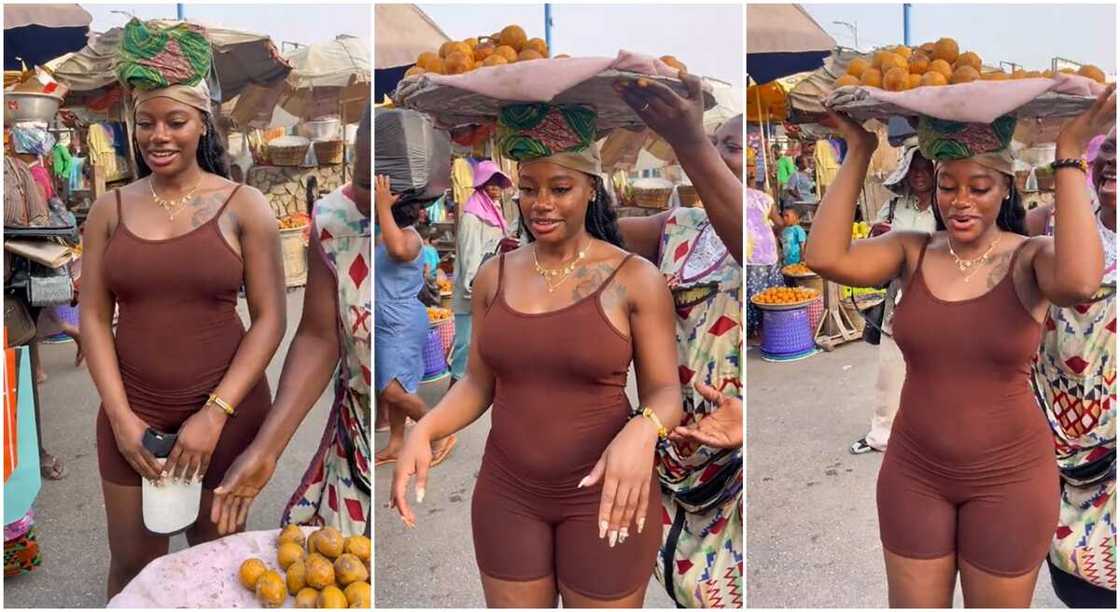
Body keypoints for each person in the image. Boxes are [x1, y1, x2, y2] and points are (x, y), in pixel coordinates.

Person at [805, 84, 1113, 607]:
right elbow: (825, 257)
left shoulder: (1030, 257)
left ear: (1006, 190)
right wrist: (858, 149)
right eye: (948, 186)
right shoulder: (912, 251)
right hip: (914, 474)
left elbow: (1082, 282)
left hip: (1010, 481)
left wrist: (1069, 153)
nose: (961, 201)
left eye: (979, 187)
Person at [390, 102, 682, 608]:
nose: (540, 203)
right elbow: (479, 383)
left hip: (605, 494)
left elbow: (665, 391)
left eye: (560, 188)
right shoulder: (494, 276)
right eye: (528, 188)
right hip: (507, 496)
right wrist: (427, 427)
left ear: (592, 187)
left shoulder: (634, 279)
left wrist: (643, 430)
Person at [78, 20, 286, 599]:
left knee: (218, 569)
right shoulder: (110, 209)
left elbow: (271, 318)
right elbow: (93, 317)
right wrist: (121, 420)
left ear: (203, 124)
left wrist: (215, 414)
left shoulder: (245, 207)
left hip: (227, 415)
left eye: (176, 121)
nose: (159, 136)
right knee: (131, 569)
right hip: (132, 415)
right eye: (146, 122)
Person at [209, 104, 375, 537]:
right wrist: (266, 449)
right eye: (361, 182)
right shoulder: (337, 219)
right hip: (356, 442)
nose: (372, 203)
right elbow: (320, 337)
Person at [613, 74, 744, 607]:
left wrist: (689, 142)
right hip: (674, 426)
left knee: (727, 583)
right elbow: (601, 230)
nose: (725, 153)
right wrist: (570, 154)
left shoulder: (757, 224)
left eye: (737, 146)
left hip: (736, 431)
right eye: (719, 142)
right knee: (678, 566)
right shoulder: (679, 223)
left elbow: (746, 239)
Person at [1027, 127, 1117, 607]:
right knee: (1070, 570)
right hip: (1056, 430)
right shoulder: (1047, 224)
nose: (1114, 160)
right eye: (1110, 147)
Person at [849, 145, 936, 455]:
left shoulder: (947, 207)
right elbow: (876, 247)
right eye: (914, 169)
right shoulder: (894, 208)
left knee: (940, 370)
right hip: (899, 299)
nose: (920, 174)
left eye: (926, 168)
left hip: (941, 299)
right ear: (906, 174)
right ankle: (882, 433)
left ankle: (932, 432)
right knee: (891, 369)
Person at [373, 175, 456, 467]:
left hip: (401, 321)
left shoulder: (408, 237)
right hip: (387, 320)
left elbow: (397, 250)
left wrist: (382, 205)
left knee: (390, 389)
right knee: (401, 386)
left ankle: (440, 432)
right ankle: (396, 444)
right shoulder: (383, 234)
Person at [448, 161, 513, 387]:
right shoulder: (472, 216)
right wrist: (471, 287)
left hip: (490, 287)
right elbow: (468, 255)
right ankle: (454, 389)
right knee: (465, 344)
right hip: (472, 290)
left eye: (498, 182)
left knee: (486, 341)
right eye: (490, 182)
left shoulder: (495, 212)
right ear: (481, 184)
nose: (495, 187)